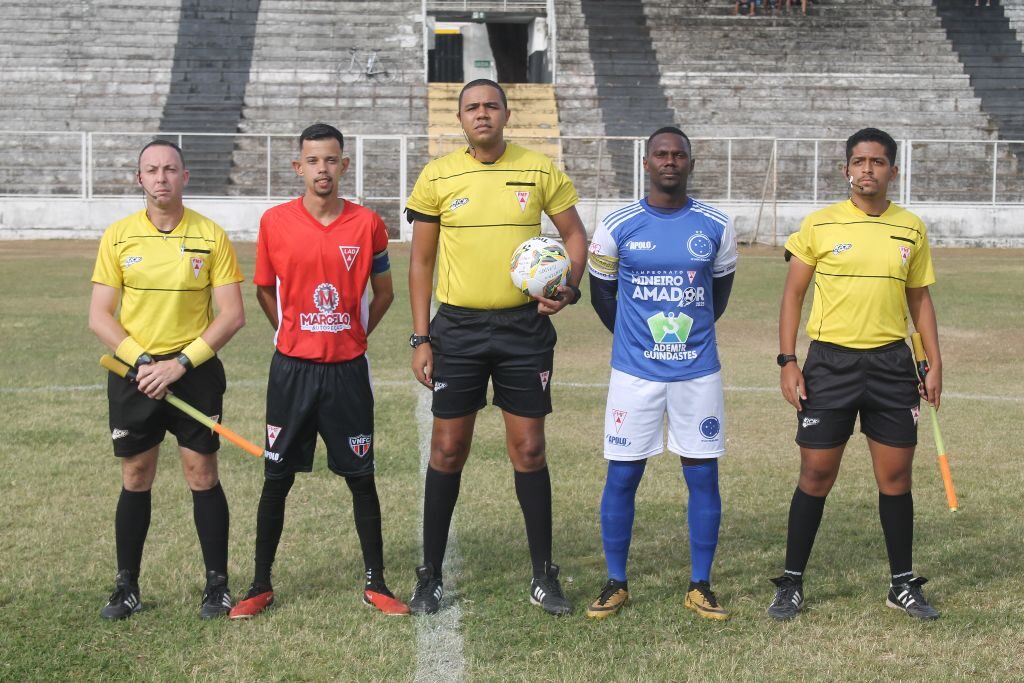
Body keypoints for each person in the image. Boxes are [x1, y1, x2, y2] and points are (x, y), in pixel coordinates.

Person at [405, 78, 587, 616]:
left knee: (529, 449)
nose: (481, 114)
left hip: (523, 329)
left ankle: (543, 574)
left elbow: (575, 236)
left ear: (506, 114)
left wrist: (569, 285)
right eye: (471, 107)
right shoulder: (438, 175)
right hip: (457, 329)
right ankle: (430, 574)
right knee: (447, 449)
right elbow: (420, 262)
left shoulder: (539, 169)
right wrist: (421, 336)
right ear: (460, 118)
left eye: (490, 106)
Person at [228, 123, 407, 619]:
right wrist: (290, 333)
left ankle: (377, 582)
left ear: (344, 165)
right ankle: (259, 585)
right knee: (276, 478)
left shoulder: (368, 224)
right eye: (313, 161)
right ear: (298, 167)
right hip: (292, 373)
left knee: (361, 477)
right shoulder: (275, 222)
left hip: (347, 372)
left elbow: (385, 291)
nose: (322, 169)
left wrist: (356, 333)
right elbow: (264, 289)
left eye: (331, 160)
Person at [767, 127, 942, 621]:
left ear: (893, 171)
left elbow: (919, 299)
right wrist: (788, 360)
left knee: (896, 477)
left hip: (891, 365)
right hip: (830, 364)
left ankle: (901, 583)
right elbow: (793, 295)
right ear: (846, 169)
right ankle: (791, 582)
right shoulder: (819, 224)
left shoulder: (911, 227)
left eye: (878, 161)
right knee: (816, 474)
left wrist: (933, 362)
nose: (868, 169)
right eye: (860, 161)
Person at [89, 139, 246, 620]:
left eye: (170, 169)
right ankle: (127, 587)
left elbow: (232, 315)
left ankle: (217, 586)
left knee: (202, 473)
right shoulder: (118, 236)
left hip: (193, 372)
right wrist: (143, 363)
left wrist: (178, 364)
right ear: (139, 178)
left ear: (185, 176)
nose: (161, 178)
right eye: (152, 170)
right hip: (135, 375)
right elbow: (99, 315)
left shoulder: (210, 235)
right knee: (136, 475)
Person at [585, 127, 738, 620]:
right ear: (646, 163)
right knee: (623, 473)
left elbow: (718, 296)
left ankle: (700, 584)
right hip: (635, 375)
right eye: (661, 155)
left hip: (697, 373)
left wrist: (684, 340)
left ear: (690, 163)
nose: (670, 161)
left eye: (678, 155)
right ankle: (616, 581)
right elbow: (603, 295)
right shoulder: (617, 225)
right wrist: (638, 341)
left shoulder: (716, 225)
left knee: (703, 474)